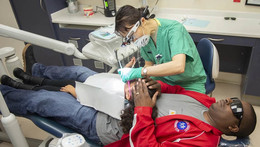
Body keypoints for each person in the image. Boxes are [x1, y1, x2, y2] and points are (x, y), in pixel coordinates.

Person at [0, 77, 257, 146]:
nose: (228, 100)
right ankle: (29, 77)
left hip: (112, 126)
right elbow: (176, 89)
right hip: (120, 100)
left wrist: (144, 110)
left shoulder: (201, 141)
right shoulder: (203, 101)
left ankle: (6, 95)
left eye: (235, 107)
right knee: (79, 78)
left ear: (233, 128)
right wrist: (160, 86)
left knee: (47, 102)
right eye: (233, 98)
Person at [115, 5, 207, 94]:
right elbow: (148, 67)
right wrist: (134, 77)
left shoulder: (174, 30)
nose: (134, 40)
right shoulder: (145, 37)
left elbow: (179, 66)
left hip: (189, 84)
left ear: (142, 21)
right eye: (129, 39)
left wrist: (140, 71)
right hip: (164, 81)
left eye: (132, 36)